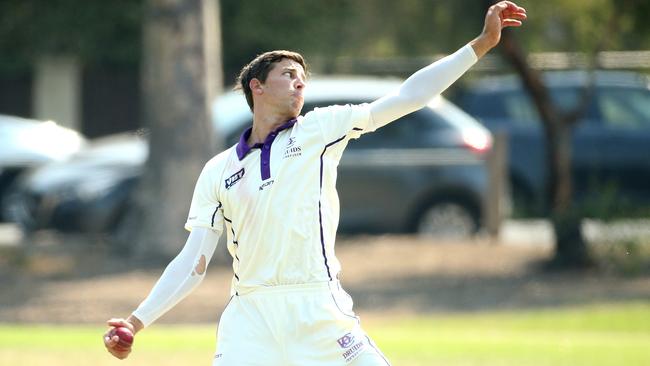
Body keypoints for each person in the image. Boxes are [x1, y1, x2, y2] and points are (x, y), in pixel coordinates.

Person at [103, 2, 526, 365]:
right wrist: (136, 321)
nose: (300, 82)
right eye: (288, 74)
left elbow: (406, 98)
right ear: (257, 87)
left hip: (317, 307)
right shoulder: (218, 169)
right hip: (250, 318)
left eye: (303, 77)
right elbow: (193, 263)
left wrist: (480, 45)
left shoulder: (320, 130)